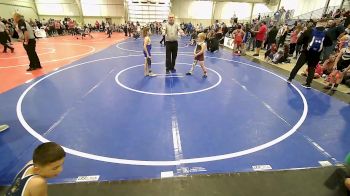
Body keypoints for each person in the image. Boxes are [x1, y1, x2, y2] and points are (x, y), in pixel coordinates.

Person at [287, 19, 332, 88]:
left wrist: (305, 42)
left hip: (306, 52)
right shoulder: (326, 33)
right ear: (325, 24)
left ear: (318, 23)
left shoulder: (310, 30)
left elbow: (299, 41)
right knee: (312, 68)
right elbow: (329, 44)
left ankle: (290, 78)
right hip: (316, 54)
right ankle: (308, 83)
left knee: (298, 66)